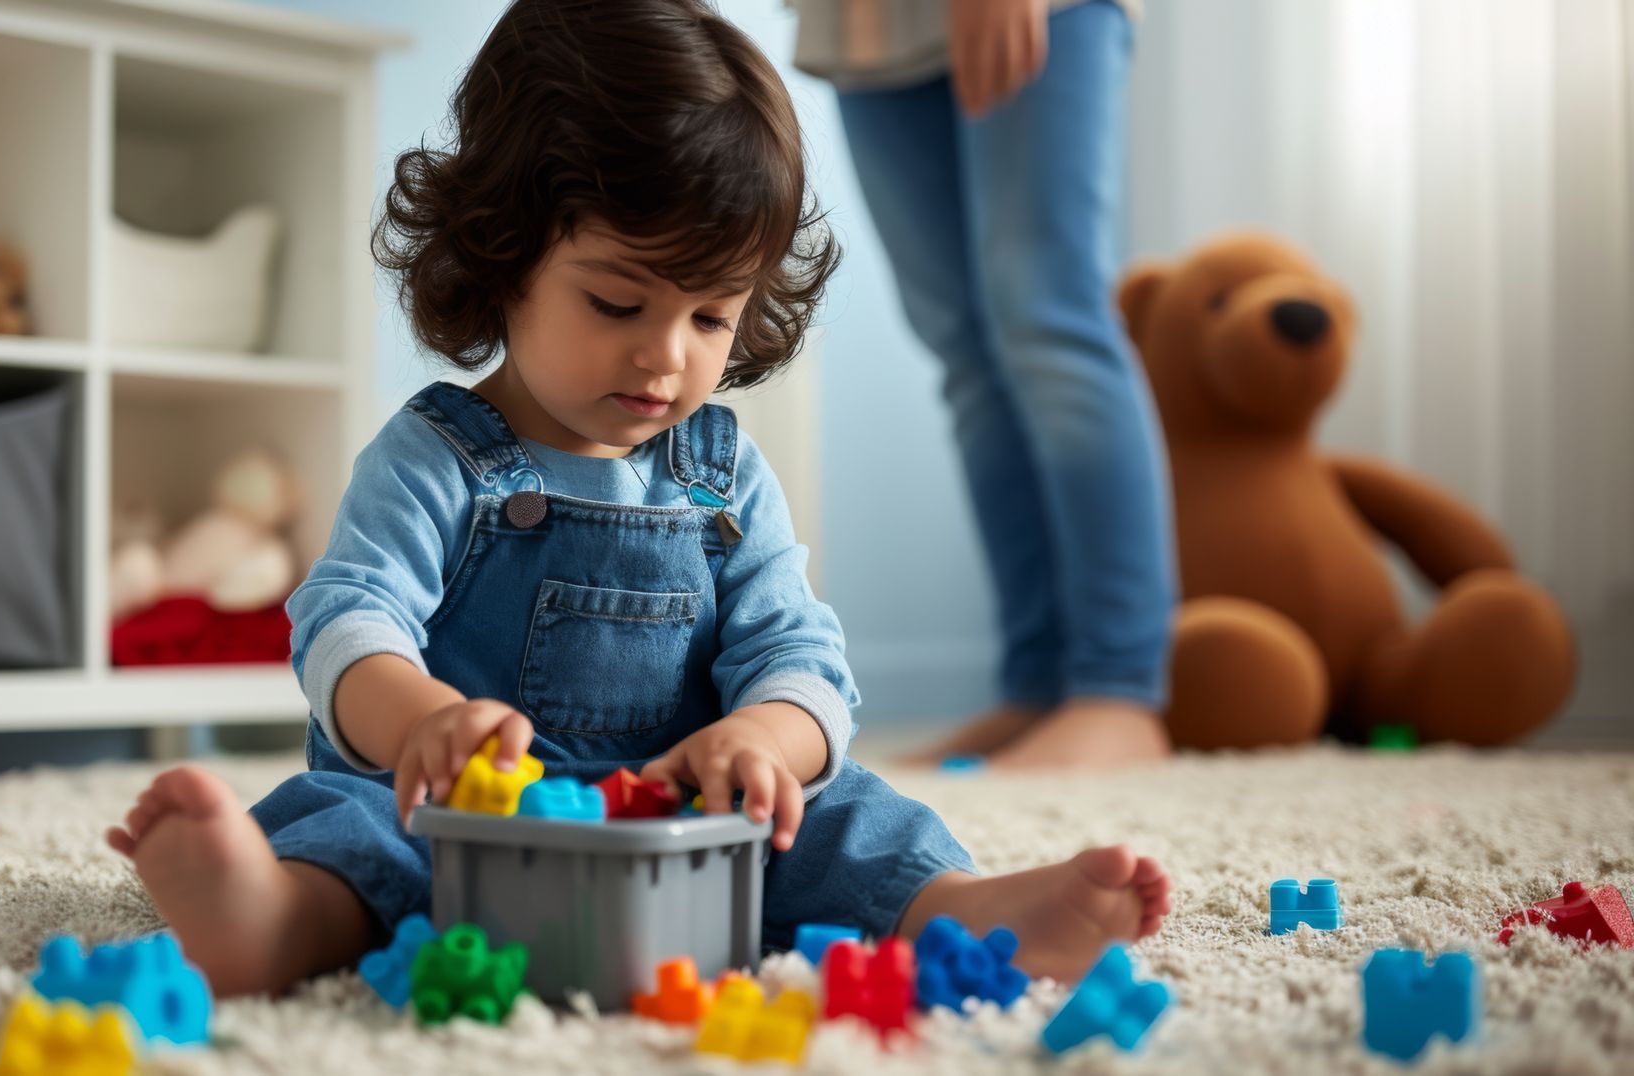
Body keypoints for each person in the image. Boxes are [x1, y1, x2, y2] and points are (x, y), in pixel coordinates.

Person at [105, 0, 1170, 999]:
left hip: (692, 826)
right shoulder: (435, 453)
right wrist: (423, 721)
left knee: (850, 817)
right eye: (618, 300)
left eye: (712, 316)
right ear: (502, 249)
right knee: (349, 826)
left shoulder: (722, 471)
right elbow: (345, 618)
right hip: (470, 818)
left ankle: (963, 911)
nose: (665, 356)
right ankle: (274, 919)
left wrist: (762, 739)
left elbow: (801, 655)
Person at [794, 0, 1175, 768]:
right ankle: (1035, 686)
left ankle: (1119, 688)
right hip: (866, 18)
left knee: (1050, 321)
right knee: (963, 347)